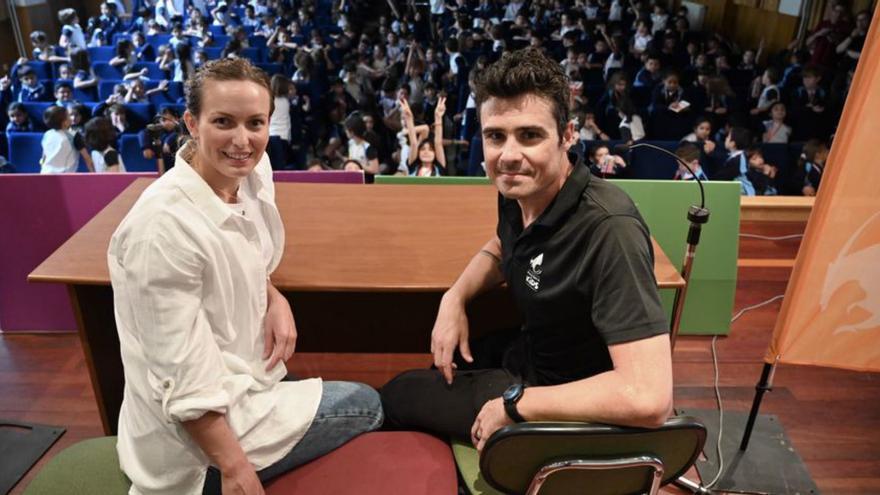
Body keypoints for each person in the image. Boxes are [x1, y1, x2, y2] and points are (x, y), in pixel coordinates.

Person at [107, 58, 382, 495]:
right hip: (194, 442)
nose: (242, 141)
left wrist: (273, 296)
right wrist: (236, 470)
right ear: (191, 124)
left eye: (255, 123)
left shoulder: (253, 172)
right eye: (223, 122)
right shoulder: (160, 231)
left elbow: (248, 252)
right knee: (368, 405)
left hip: (243, 374)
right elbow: (185, 384)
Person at [380, 47, 672, 450]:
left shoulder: (610, 230)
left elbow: (650, 397)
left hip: (568, 401)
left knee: (397, 395)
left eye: (530, 135)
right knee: (447, 363)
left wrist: (517, 405)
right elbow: (504, 244)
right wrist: (455, 297)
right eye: (495, 136)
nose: (509, 156)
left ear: (567, 135)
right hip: (531, 353)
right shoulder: (521, 189)